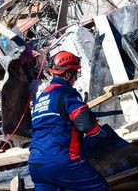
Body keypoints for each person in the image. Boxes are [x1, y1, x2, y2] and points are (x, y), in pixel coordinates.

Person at [28, 50, 109, 191]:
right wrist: (99, 132)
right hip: (62, 160)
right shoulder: (66, 93)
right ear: (67, 74)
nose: (76, 79)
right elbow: (85, 123)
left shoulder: (41, 99)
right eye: (75, 74)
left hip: (36, 165)